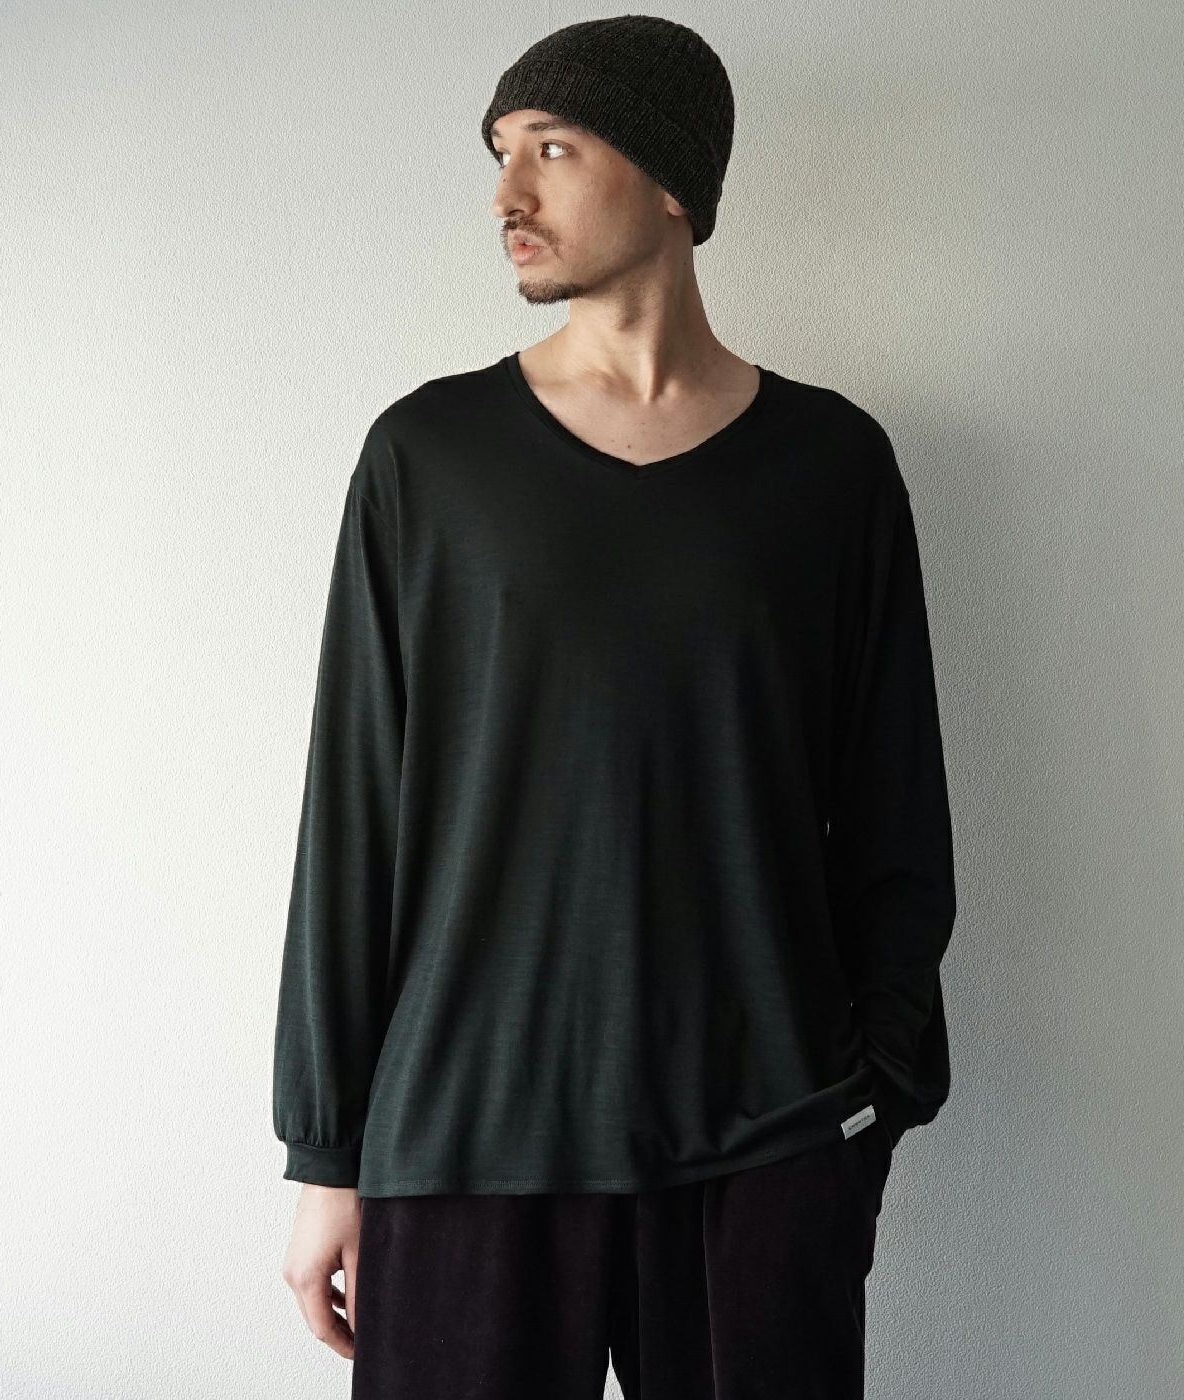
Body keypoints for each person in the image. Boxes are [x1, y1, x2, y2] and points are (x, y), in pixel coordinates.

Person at [272, 15, 957, 1398]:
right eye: (500, 152)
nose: (505, 194)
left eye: (553, 149)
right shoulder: (432, 458)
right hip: (463, 1140)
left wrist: (873, 1100)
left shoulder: (831, 469)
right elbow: (354, 818)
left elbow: (895, 814)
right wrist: (326, 1152)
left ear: (671, 181)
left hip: (766, 1142)